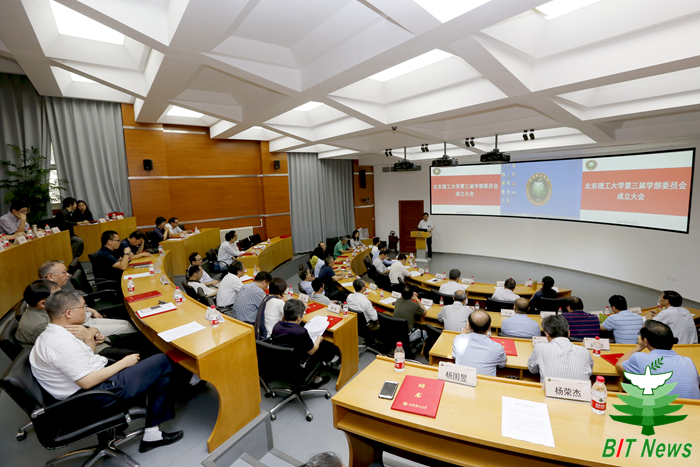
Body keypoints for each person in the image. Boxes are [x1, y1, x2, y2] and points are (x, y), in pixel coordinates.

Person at [29, 290, 183, 453]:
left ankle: (152, 434)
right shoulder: (60, 343)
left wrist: (88, 338)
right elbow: (87, 381)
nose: (86, 310)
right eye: (83, 307)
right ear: (69, 313)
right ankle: (154, 430)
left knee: (157, 370)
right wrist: (123, 363)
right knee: (162, 361)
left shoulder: (55, 333)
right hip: (93, 395)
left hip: (89, 387)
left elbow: (85, 360)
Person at [38, 260, 139, 338]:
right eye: (64, 272)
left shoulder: (55, 288)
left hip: (86, 317)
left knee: (126, 323)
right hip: (82, 325)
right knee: (126, 328)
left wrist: (89, 310)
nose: (68, 274)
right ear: (50, 276)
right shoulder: (46, 295)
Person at [616, 320, 699, 400]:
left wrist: (639, 347)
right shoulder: (688, 361)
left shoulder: (639, 358)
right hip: (693, 408)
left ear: (645, 341)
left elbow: (619, 366)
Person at [270, 299, 338, 386]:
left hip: (279, 364)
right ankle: (317, 378)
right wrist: (319, 339)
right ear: (299, 317)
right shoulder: (301, 332)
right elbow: (312, 351)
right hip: (297, 366)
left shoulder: (277, 326)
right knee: (323, 346)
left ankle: (331, 361)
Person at [527, 314, 594, 383]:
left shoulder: (540, 348)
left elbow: (532, 369)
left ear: (547, 334)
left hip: (550, 389)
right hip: (580, 389)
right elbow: (589, 372)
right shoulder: (585, 351)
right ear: (569, 333)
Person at [452, 311, 506, 376]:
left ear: (469, 326)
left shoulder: (458, 340)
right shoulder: (497, 348)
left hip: (463, 380)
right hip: (485, 381)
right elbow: (502, 365)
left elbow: (454, 355)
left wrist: (467, 327)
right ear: (489, 327)